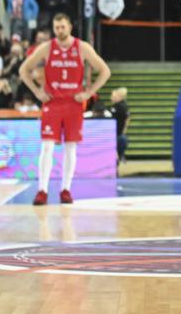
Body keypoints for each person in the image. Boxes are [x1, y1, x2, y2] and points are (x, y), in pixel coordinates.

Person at [18, 13, 111, 208]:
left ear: (70, 27)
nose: (59, 30)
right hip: (52, 103)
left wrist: (89, 93)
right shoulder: (46, 48)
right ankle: (42, 190)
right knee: (47, 147)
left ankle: (66, 189)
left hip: (73, 104)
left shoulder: (82, 47)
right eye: (56, 27)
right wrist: (37, 91)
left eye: (62, 27)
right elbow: (23, 70)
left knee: (70, 148)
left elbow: (105, 71)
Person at [109, 87, 130, 165]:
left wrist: (122, 131)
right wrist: (124, 131)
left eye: (113, 96)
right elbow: (128, 118)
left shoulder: (117, 106)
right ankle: (120, 156)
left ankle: (119, 156)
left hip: (115, 134)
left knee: (121, 141)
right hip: (118, 133)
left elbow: (127, 118)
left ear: (119, 97)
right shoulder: (124, 105)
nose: (111, 98)